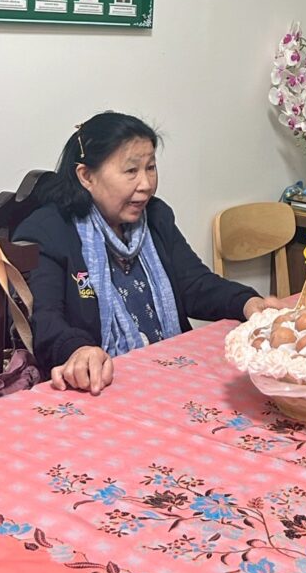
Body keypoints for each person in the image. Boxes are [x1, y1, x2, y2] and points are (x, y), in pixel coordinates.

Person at [14, 112, 284, 393]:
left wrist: (248, 302)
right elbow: (45, 319)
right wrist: (78, 350)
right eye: (131, 171)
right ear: (86, 176)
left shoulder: (155, 216)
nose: (146, 184)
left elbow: (194, 284)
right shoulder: (50, 230)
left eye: (151, 168)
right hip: (101, 385)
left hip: (170, 375)